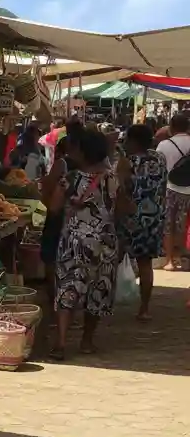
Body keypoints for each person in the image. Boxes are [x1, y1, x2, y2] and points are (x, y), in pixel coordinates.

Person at [43, 128, 126, 359]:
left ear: (82, 152)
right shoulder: (113, 180)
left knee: (67, 289)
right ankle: (87, 341)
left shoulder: (70, 179)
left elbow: (54, 208)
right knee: (97, 291)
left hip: (74, 243)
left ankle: (61, 342)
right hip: (105, 243)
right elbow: (122, 211)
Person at [117, 124, 167, 320]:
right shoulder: (159, 159)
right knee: (145, 264)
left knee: (114, 259)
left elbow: (120, 189)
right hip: (153, 218)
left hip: (129, 218)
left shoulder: (127, 162)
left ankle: (103, 302)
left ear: (134, 141)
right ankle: (144, 309)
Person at [40, 119, 83, 305]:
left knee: (51, 258)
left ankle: (55, 300)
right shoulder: (89, 166)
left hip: (59, 216)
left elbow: (49, 188)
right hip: (77, 219)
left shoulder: (62, 164)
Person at [156, 111, 190, 270]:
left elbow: (157, 168)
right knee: (183, 225)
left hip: (169, 188)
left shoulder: (164, 145)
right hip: (188, 190)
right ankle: (181, 258)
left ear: (171, 127)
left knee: (168, 225)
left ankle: (169, 260)